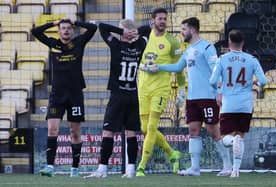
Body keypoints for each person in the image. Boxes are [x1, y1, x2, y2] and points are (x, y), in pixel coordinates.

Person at [142, 17, 232, 176]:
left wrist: (219, 91)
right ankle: (195, 168)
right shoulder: (188, 50)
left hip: (208, 97)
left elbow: (217, 70)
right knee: (193, 130)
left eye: (184, 29)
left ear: (193, 29)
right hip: (192, 98)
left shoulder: (207, 47)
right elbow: (177, 67)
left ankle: (227, 165)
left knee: (212, 130)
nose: (181, 32)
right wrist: (159, 67)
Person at [83, 20, 151, 179]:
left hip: (118, 95)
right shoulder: (140, 45)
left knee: (108, 132)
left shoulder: (116, 45)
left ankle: (102, 169)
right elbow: (147, 29)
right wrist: (135, 32)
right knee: (130, 133)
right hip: (133, 94)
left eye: (122, 31)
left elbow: (103, 27)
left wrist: (122, 32)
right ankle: (131, 169)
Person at [31, 19, 97, 177]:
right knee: (52, 129)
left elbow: (93, 28)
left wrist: (76, 21)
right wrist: (53, 23)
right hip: (57, 95)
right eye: (63, 28)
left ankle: (75, 168)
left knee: (75, 132)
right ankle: (49, 167)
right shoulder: (53, 43)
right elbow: (35, 32)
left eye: (68, 28)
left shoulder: (79, 42)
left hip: (75, 94)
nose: (66, 30)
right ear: (59, 31)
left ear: (72, 31)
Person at [210, 30, 267, 178]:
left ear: (229, 43)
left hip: (229, 104)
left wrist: (220, 89)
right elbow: (264, 81)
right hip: (245, 104)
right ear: (243, 43)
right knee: (240, 136)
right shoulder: (252, 59)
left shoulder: (222, 59)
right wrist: (254, 82)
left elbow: (212, 81)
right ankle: (235, 170)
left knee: (225, 138)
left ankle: (233, 151)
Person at [136, 7, 185, 177]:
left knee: (151, 126)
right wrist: (140, 66)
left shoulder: (172, 41)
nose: (163, 21)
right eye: (160, 18)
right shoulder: (143, 38)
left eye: (165, 18)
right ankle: (172, 153)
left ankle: (141, 166)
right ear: (153, 21)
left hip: (161, 89)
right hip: (143, 87)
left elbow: (179, 69)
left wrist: (181, 90)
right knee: (143, 128)